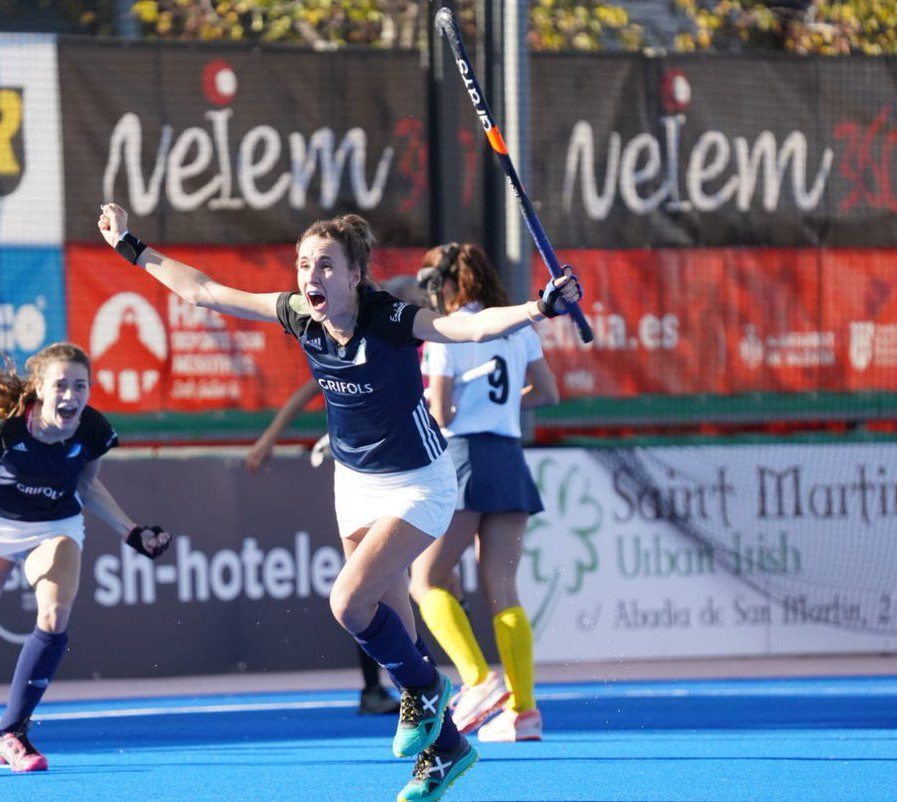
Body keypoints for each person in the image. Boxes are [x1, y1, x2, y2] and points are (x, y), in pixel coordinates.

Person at [97, 203, 581, 802]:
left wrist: (540, 308)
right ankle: (447, 749)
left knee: (349, 603)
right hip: (353, 482)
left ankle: (429, 690)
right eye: (304, 265)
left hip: (420, 481)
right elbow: (202, 291)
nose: (310, 277)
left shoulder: (392, 317)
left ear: (355, 275)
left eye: (325, 266)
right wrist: (130, 246)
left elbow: (466, 329)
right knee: (395, 621)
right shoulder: (299, 315)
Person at [0, 342, 171, 773]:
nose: (71, 396)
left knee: (55, 615)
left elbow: (87, 485)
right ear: (40, 389)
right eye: (60, 385)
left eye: (80, 386)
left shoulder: (92, 431)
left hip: (54, 525)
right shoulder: (9, 429)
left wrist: (133, 533)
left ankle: (10, 733)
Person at [409, 243, 559, 743]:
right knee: (503, 587)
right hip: (508, 457)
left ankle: (476, 679)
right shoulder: (517, 325)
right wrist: (503, 405)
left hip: (464, 460)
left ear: (450, 283)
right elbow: (548, 393)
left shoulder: (445, 333)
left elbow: (442, 415)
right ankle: (525, 711)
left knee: (425, 579)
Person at [246, 379, 399, 717]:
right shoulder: (342, 347)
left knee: (412, 585)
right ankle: (379, 688)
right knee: (367, 590)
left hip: (404, 474)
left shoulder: (410, 344)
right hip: (361, 479)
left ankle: (420, 685)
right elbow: (308, 390)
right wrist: (270, 438)